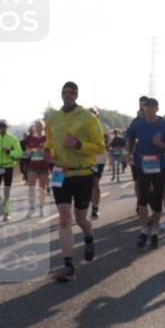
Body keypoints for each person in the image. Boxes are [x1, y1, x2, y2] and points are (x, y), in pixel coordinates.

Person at [44, 81, 103, 281]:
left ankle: (88, 234)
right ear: (61, 95)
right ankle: (68, 265)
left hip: (83, 174)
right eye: (65, 92)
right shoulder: (53, 118)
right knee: (64, 217)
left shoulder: (88, 118)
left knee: (80, 218)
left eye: (72, 93)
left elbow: (99, 147)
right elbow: (50, 143)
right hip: (60, 173)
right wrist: (47, 151)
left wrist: (78, 144)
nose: (68, 95)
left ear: (76, 96)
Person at [124, 97, 165, 249]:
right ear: (143, 108)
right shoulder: (138, 123)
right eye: (146, 107)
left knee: (157, 203)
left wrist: (161, 144)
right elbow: (130, 136)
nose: (149, 110)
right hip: (142, 166)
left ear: (157, 109)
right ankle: (144, 230)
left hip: (160, 167)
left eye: (152, 107)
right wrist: (128, 150)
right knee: (142, 200)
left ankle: (155, 231)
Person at [24, 120, 49, 217]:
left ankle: (42, 208)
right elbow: (27, 151)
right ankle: (31, 208)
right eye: (37, 126)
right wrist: (30, 150)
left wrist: (42, 150)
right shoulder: (30, 138)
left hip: (43, 166)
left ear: (43, 127)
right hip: (32, 166)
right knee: (31, 187)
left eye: (40, 126)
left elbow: (49, 151)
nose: (38, 127)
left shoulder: (46, 138)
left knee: (42, 188)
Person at [87, 107, 108, 220]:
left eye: (94, 114)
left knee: (94, 183)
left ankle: (95, 207)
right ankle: (87, 205)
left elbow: (107, 141)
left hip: (98, 159)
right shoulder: (82, 127)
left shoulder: (103, 127)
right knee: (87, 184)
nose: (91, 116)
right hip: (86, 159)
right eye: (89, 114)